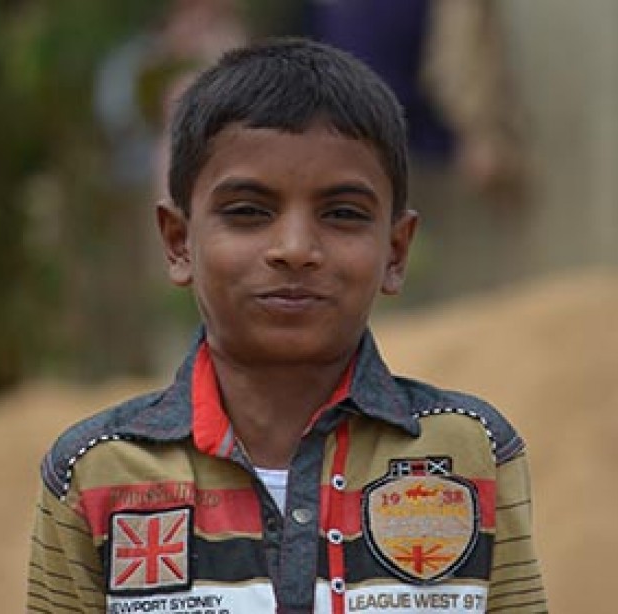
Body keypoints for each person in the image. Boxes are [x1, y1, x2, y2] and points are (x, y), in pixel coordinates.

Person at [27, 38, 547, 613]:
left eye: (342, 214)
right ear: (178, 242)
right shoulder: (97, 472)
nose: (296, 249)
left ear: (396, 252)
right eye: (248, 212)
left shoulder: (472, 453)